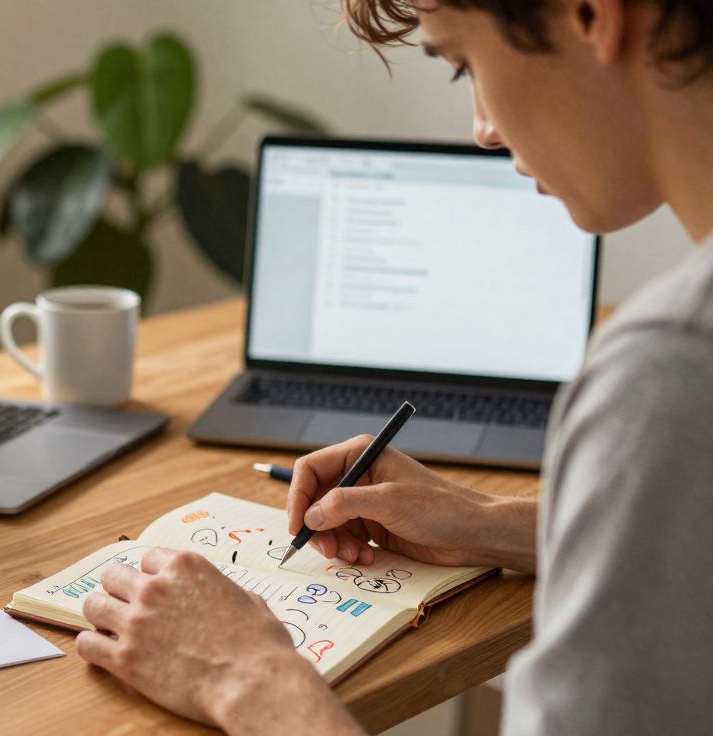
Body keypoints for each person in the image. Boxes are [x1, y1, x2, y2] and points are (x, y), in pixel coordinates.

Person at [74, 0, 713, 732]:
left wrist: (249, 680)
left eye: (464, 66)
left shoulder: (669, 375)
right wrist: (488, 523)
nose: (482, 129)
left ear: (592, 14)